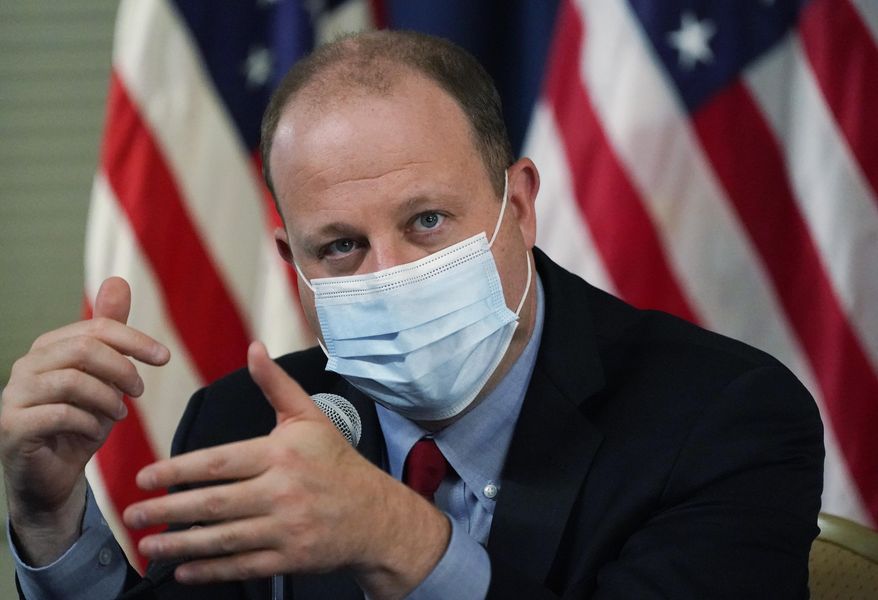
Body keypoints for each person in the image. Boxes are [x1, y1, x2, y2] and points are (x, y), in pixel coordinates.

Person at [1, 30, 823, 599]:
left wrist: (398, 540)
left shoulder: (724, 421)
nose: (391, 274)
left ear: (521, 207)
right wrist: (51, 517)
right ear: (294, 266)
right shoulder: (242, 422)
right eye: (341, 246)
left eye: (427, 220)